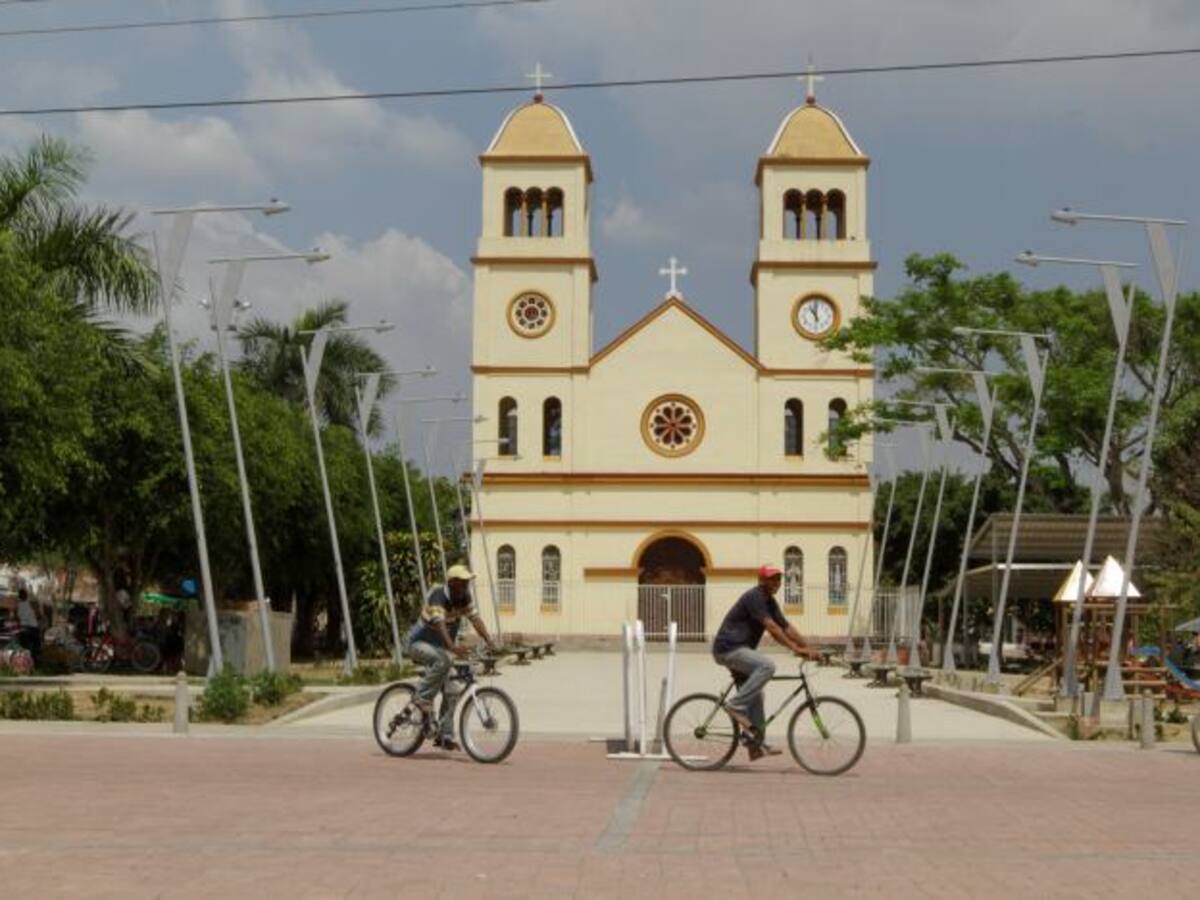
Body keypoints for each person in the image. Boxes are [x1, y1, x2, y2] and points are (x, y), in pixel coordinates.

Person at [712, 565, 811, 760]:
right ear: (761, 580)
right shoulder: (754, 597)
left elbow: (786, 627)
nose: (776, 583)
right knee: (767, 666)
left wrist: (808, 648)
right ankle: (735, 706)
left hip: (741, 649)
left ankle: (755, 744)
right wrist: (795, 649)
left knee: (757, 694)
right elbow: (772, 628)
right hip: (728, 648)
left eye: (778, 579)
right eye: (771, 579)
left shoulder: (770, 602)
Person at [402, 564, 496, 751]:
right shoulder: (438, 596)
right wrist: (452, 647)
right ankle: (422, 698)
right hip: (417, 643)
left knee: (453, 690)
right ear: (452, 583)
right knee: (443, 660)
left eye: (468, 582)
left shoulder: (464, 598)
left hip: (439, 648)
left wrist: (488, 639)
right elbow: (439, 624)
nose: (467, 586)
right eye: (463, 583)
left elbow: (475, 619)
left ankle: (444, 736)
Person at [15, 587, 42, 664]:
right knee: (36, 646)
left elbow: (16, 617)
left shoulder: (17, 605)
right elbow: (39, 615)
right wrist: (38, 617)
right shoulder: (32, 603)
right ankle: (35, 662)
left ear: (19, 596)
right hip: (33, 627)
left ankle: (24, 663)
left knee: (24, 647)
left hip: (23, 628)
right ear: (26, 595)